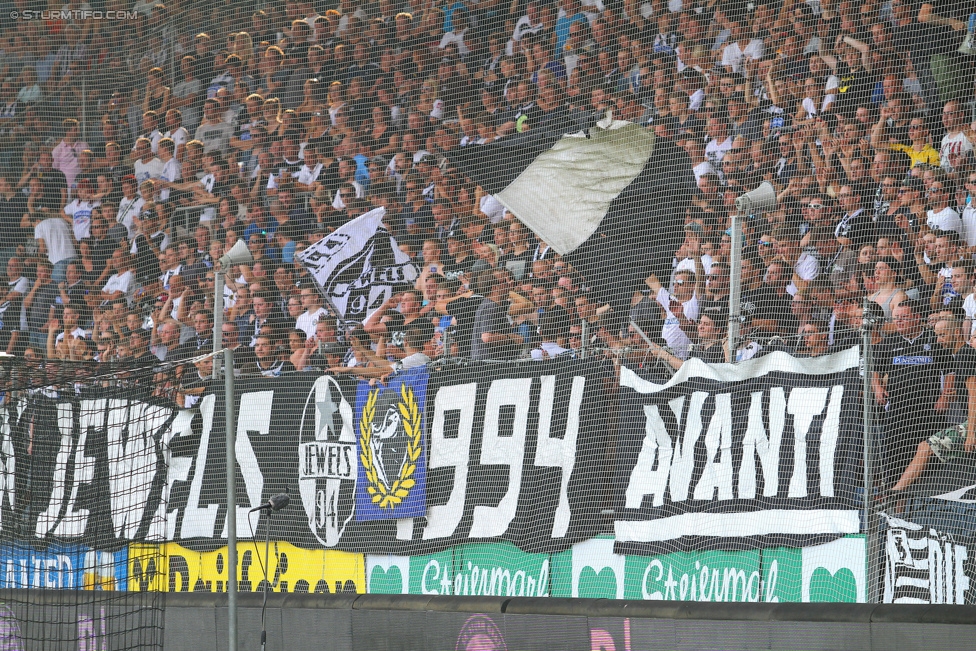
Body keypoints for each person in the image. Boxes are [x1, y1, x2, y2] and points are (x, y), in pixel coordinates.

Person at [873, 299, 954, 486]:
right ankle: (895, 509)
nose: (899, 322)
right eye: (896, 318)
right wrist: (878, 388)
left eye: (904, 318)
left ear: (917, 318)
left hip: (928, 412)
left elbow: (950, 370)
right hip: (898, 413)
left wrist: (946, 396)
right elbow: (874, 370)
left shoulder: (933, 339)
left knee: (928, 464)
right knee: (896, 463)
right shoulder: (889, 342)